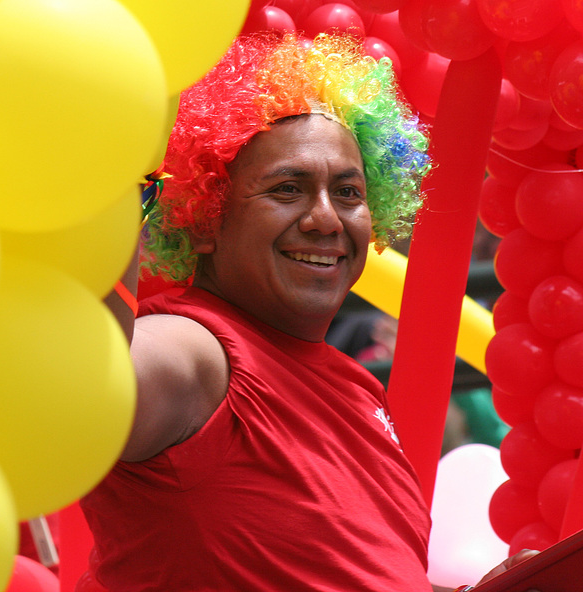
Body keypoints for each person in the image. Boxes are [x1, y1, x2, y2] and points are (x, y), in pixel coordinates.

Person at [79, 32, 537, 592]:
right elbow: (88, 389)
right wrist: (130, 179)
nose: (326, 219)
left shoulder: (359, 389)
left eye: (348, 192)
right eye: (288, 188)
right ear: (202, 219)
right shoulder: (196, 353)